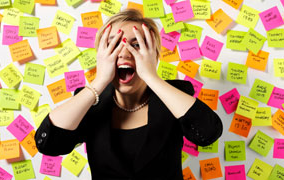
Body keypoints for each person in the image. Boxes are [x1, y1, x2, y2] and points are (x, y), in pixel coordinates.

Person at [35, 9, 223, 180]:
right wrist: (100, 81)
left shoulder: (176, 96)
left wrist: (151, 76)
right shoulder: (89, 103)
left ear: (154, 54)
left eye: (137, 45)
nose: (124, 53)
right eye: (113, 45)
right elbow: (48, 145)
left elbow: (208, 134)